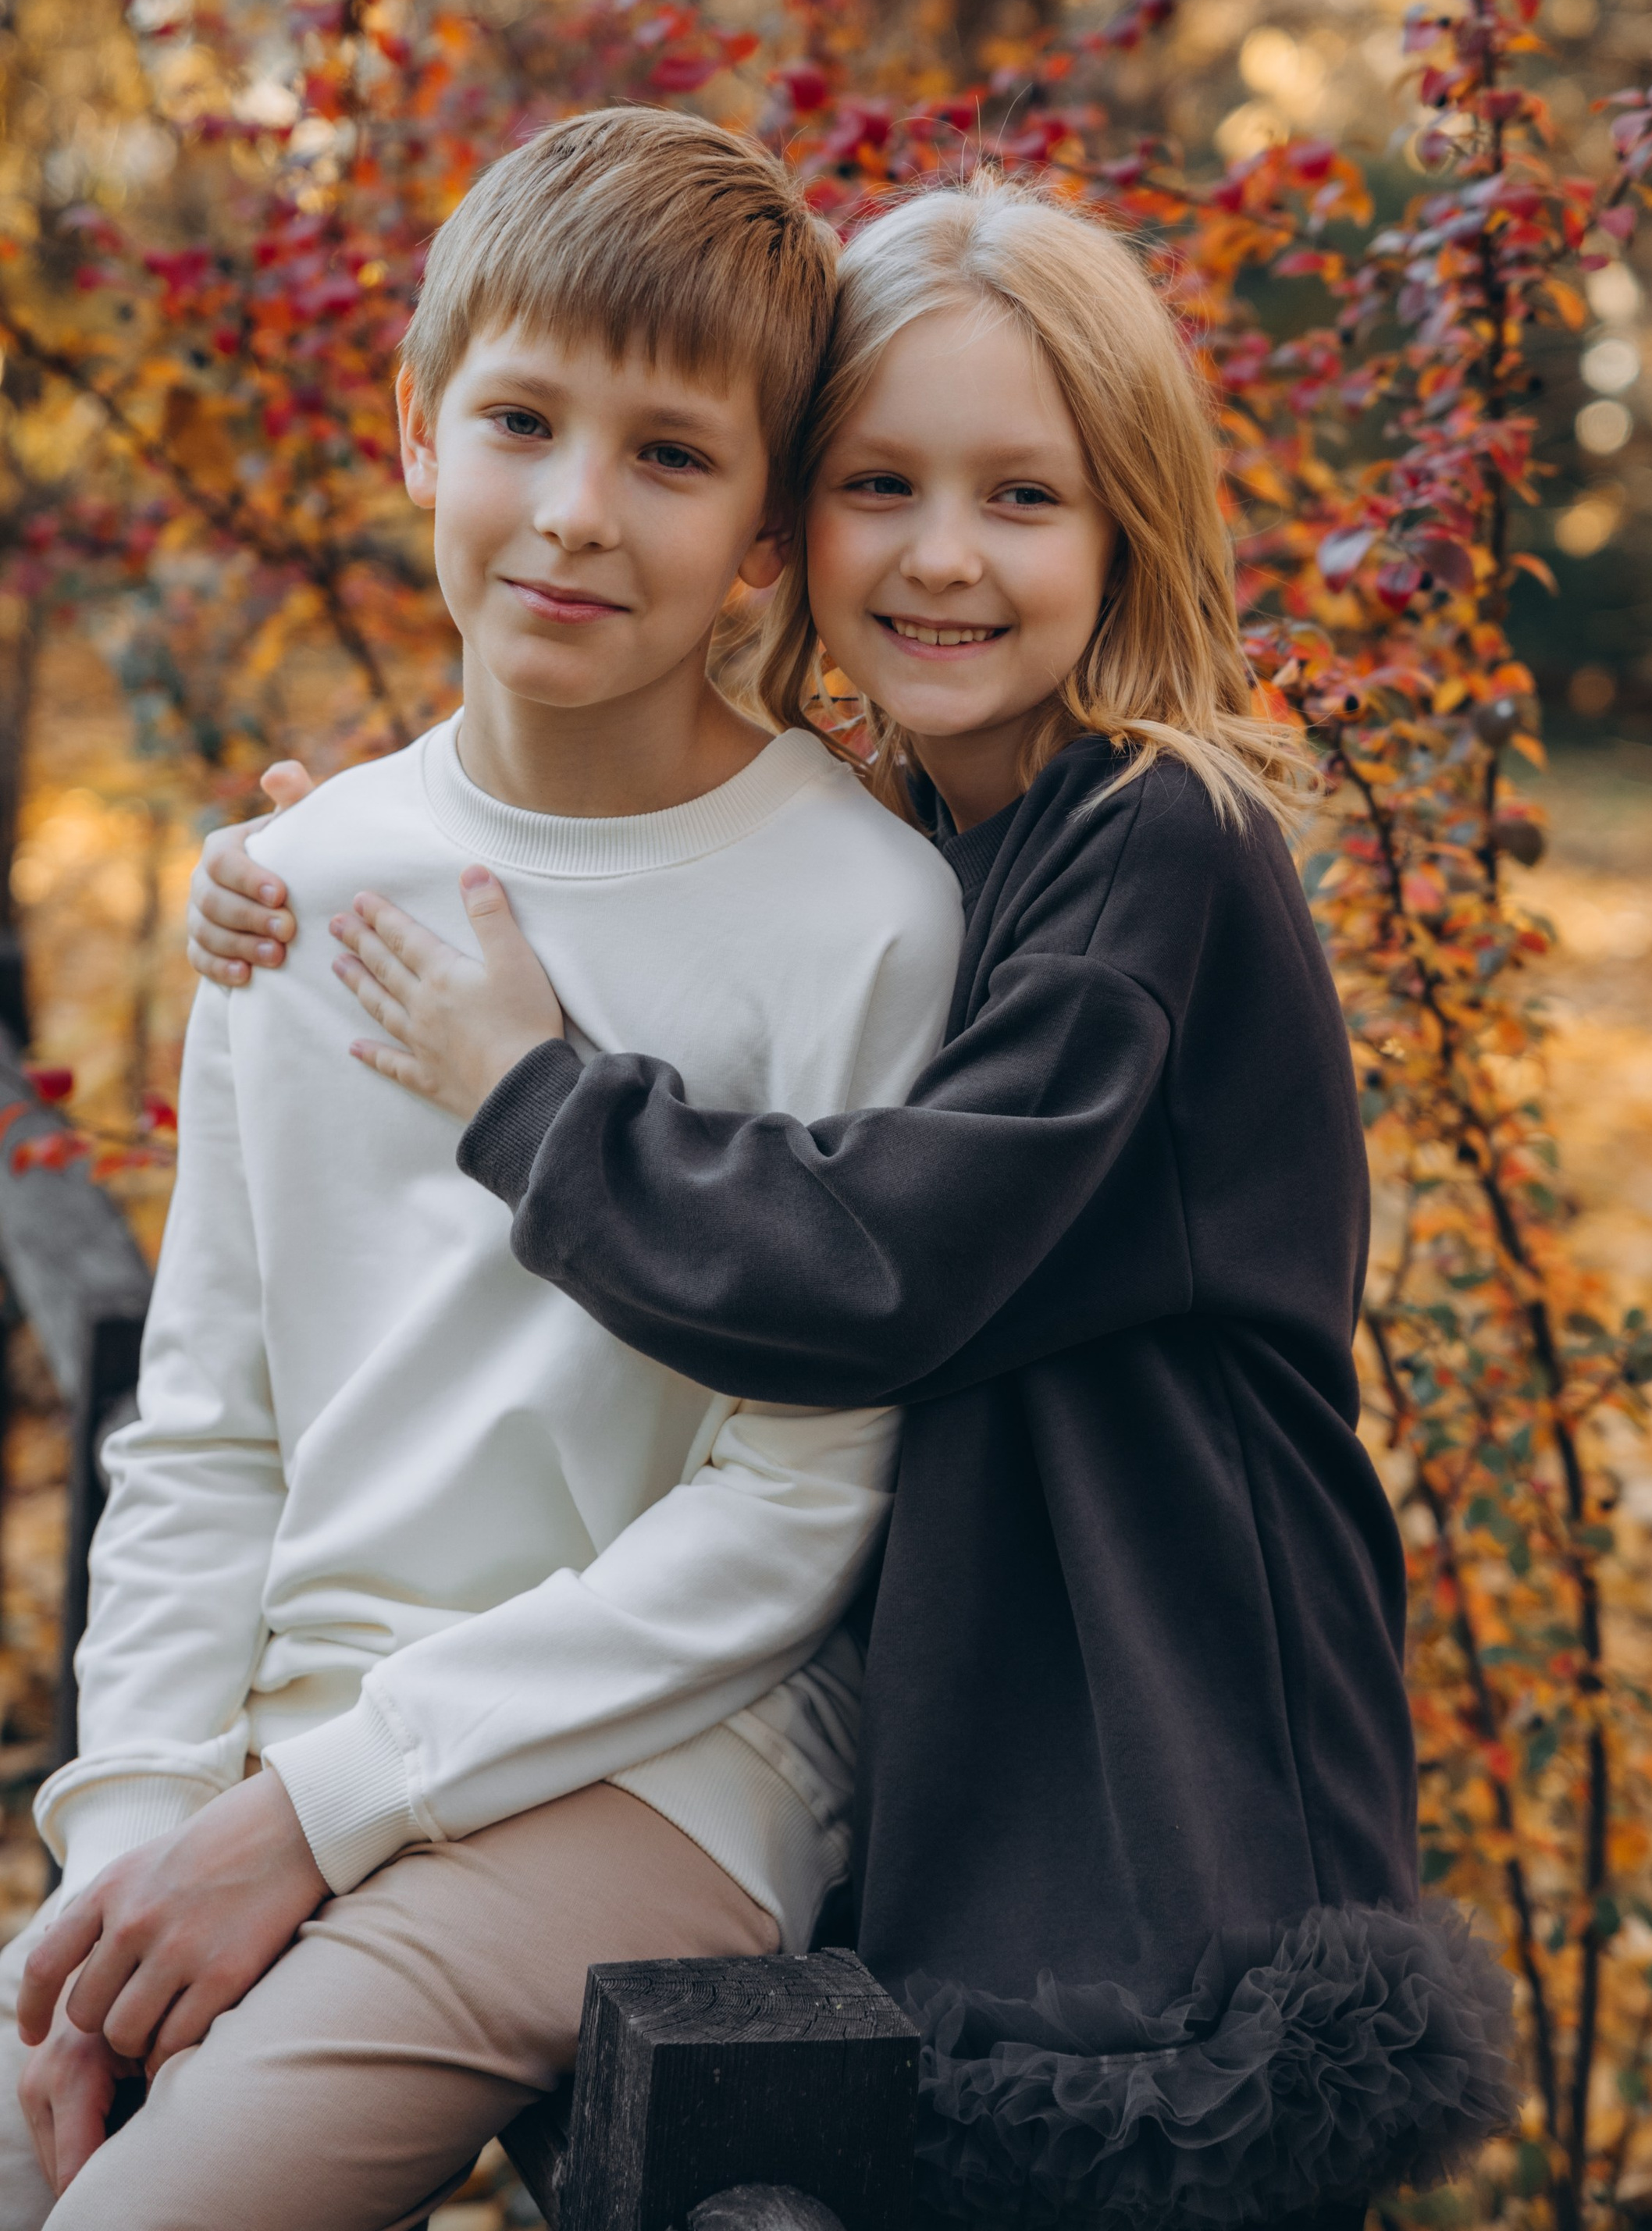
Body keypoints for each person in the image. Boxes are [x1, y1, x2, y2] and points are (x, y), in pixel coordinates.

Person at [193, 180, 1517, 2228]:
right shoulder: (948, 836)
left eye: (1026, 498)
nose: (944, 555)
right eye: (881, 483)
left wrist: (529, 1099)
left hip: (1166, 1728)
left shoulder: (1159, 847)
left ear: (1131, 527)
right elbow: (693, 982)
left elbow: (879, 1255)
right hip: (996, 1709)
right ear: (793, 525)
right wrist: (346, 853)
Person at [12, 108, 963, 2231]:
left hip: (656, 1774)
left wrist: (308, 1821)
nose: (574, 513)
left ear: (761, 540)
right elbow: (212, 1420)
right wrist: (132, 1835)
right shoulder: (300, 878)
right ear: (421, 430)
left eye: (671, 455)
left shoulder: (862, 921)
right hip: (288, 1753)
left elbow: (794, 1506)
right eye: (524, 420)